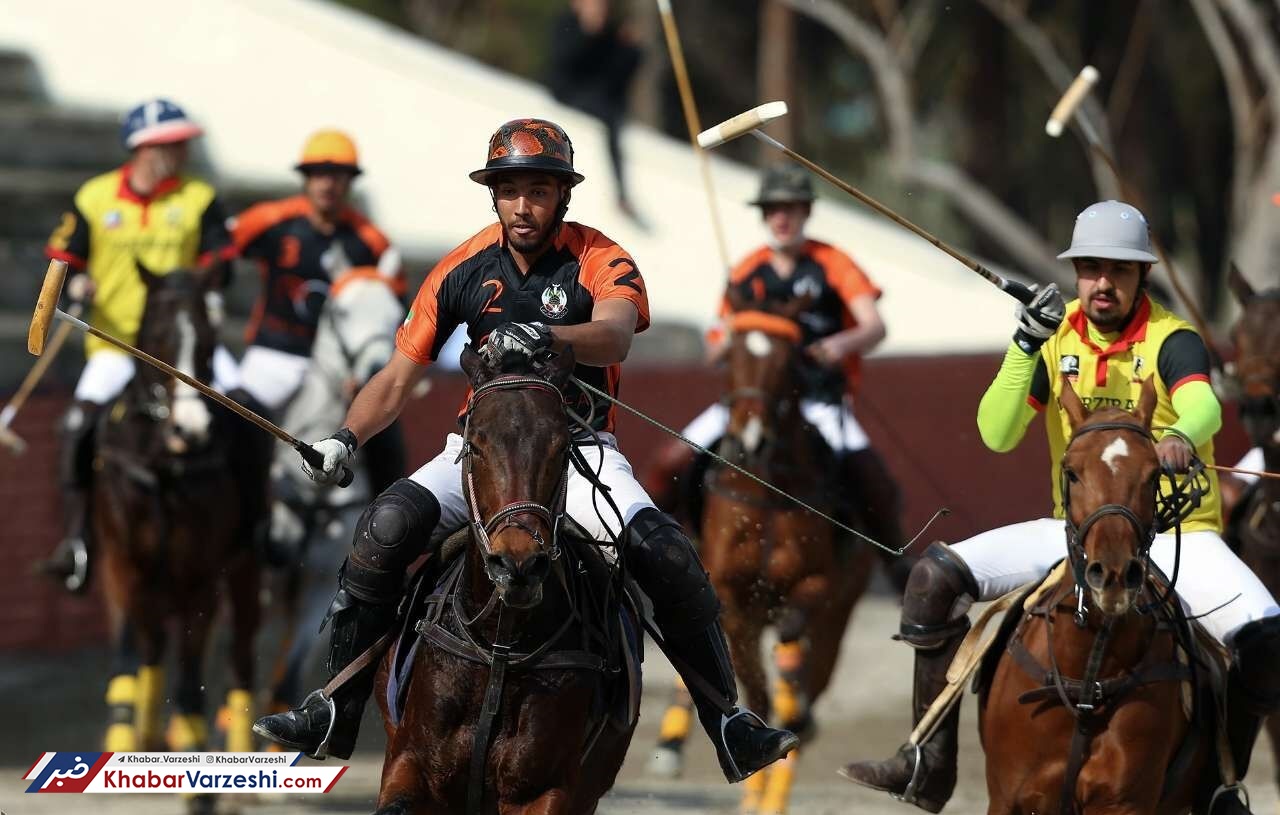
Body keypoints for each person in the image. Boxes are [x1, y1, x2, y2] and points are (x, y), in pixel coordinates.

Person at [252, 118, 797, 781]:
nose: (522, 206)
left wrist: (547, 334)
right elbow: (397, 376)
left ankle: (725, 721)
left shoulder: (601, 256)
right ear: (493, 195)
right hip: (478, 449)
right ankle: (336, 705)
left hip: (579, 445)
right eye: (509, 191)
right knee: (384, 525)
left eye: (538, 191)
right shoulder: (460, 267)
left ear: (563, 195)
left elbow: (616, 333)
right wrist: (347, 437)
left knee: (667, 553)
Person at [840, 201, 1280, 815]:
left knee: (1266, 638)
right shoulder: (1054, 335)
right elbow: (996, 432)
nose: (1103, 283)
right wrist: (1025, 345)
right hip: (1072, 532)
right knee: (931, 580)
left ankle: (1219, 789)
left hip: (1180, 532)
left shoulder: (1172, 339)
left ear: (1140, 278)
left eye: (1119, 271)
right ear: (1076, 274)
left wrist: (1181, 432)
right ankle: (928, 763)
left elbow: (1203, 404)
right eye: (1091, 269)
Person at [644, 165, 908, 579]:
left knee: (869, 474)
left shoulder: (832, 263)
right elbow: (714, 353)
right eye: (772, 210)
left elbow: (875, 326)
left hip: (818, 400)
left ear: (806, 212)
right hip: (752, 400)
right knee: (669, 460)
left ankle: (895, 564)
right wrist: (732, 334)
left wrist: (841, 344)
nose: (781, 219)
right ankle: (646, 554)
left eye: (790, 209)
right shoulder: (746, 272)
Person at [36, 98, 235, 593]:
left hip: (184, 350)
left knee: (245, 406)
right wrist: (78, 282)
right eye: (175, 144)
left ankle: (256, 524)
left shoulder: (199, 197)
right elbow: (66, 257)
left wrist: (204, 283)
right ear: (145, 149)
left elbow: (223, 263)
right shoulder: (95, 197)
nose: (184, 151)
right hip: (114, 343)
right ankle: (78, 542)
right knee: (77, 424)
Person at [229, 130, 407, 527]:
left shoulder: (370, 242)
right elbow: (217, 252)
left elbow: (396, 305)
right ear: (306, 178)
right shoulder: (271, 221)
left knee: (385, 432)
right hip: (276, 350)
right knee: (234, 419)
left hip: (340, 361)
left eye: (339, 174)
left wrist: (366, 371)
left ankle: (389, 528)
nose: (328, 183)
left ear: (350, 181)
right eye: (319, 173)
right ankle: (239, 516)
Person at [547, 0, 644, 222]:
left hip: (596, 98)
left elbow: (617, 79)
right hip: (567, 91)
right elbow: (565, 63)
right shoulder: (567, 24)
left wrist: (632, 50)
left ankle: (621, 194)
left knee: (612, 117)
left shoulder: (610, 33)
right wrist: (587, 33)